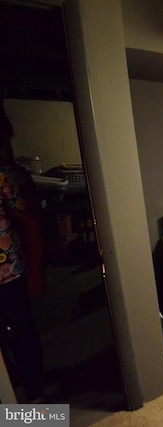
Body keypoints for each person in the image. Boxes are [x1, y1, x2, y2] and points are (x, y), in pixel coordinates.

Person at [0, 99, 45, 403]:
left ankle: (36, 405)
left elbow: (32, 224)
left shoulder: (8, 176)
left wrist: (35, 272)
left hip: (10, 275)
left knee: (23, 336)